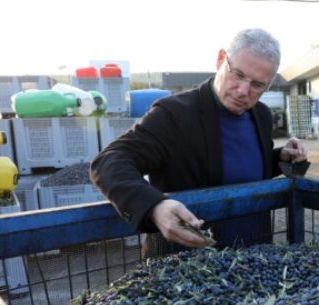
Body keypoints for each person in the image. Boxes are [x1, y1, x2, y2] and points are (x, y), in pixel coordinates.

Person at [90, 28, 307, 256]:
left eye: (257, 85)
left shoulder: (261, 115)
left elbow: (241, 168)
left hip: (252, 255)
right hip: (187, 263)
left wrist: (279, 157)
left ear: (269, 84)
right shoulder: (173, 114)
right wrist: (154, 206)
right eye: (238, 75)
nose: (243, 91)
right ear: (221, 59)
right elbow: (109, 161)